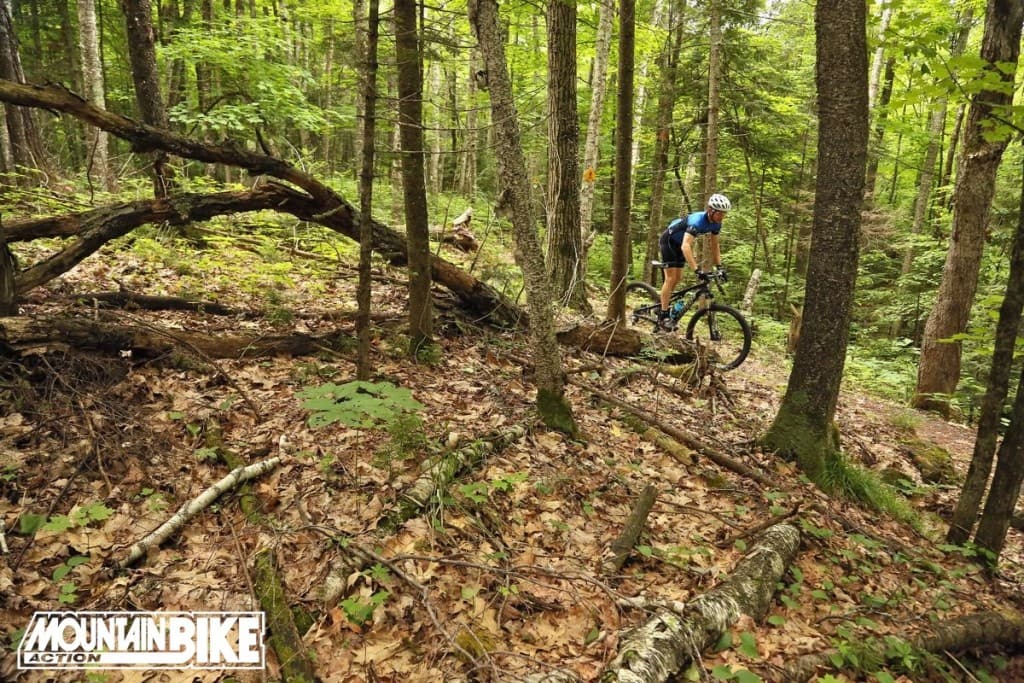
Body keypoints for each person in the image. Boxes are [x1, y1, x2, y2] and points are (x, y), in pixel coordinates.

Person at [658, 193, 731, 327]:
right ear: (711, 210)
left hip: (680, 244)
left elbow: (715, 246)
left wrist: (720, 266)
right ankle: (662, 314)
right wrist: (696, 270)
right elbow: (686, 246)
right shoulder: (697, 221)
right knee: (670, 278)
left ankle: (665, 303)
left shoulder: (716, 224)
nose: (722, 217)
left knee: (678, 278)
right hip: (669, 241)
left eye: (724, 214)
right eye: (720, 213)